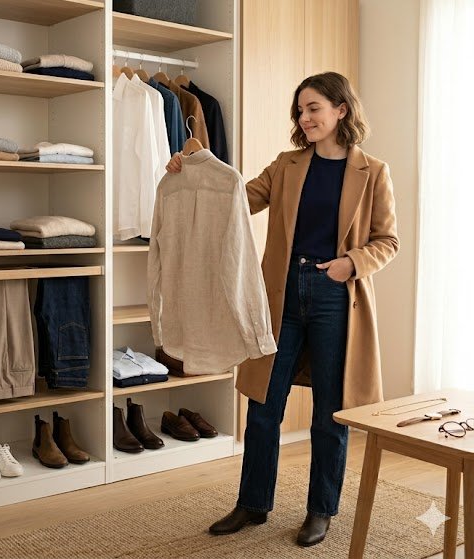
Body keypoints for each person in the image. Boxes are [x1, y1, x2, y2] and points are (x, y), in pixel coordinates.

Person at [166, 72, 398, 547]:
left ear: (341, 110)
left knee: (329, 413)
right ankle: (252, 504)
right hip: (280, 296)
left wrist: (350, 264)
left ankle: (321, 511)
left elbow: (388, 241)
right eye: (300, 109)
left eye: (314, 108)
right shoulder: (287, 165)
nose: (305, 117)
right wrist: (192, 169)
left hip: (337, 296)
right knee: (264, 405)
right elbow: (235, 199)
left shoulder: (372, 171)